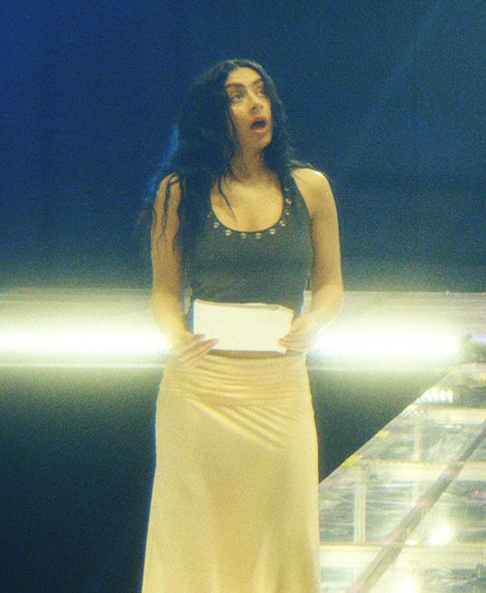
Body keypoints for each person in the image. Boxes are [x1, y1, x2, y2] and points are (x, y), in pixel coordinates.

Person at [140, 58, 342, 592]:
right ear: (214, 114)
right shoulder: (179, 191)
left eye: (261, 91)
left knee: (284, 534)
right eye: (237, 95)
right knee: (194, 540)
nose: (256, 103)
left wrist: (316, 321)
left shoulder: (311, 187)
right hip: (199, 394)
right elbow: (163, 294)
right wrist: (176, 337)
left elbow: (330, 287)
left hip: (279, 393)